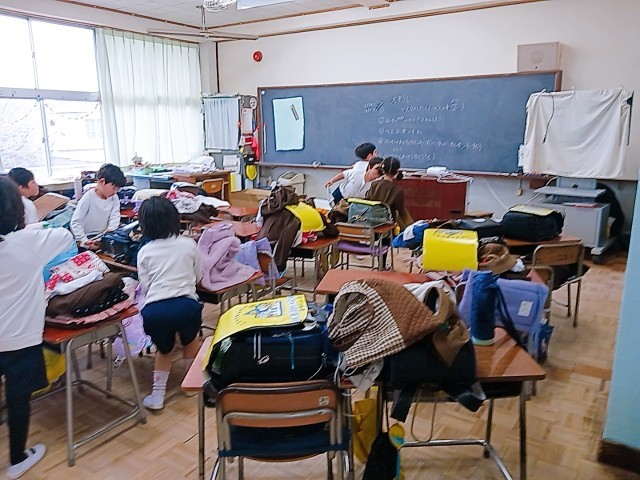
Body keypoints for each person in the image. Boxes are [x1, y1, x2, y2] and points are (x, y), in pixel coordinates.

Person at [0, 177, 73, 479]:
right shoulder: (27, 243)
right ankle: (17, 459)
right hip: (20, 339)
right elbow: (65, 236)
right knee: (19, 399)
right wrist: (31, 228)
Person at [136, 196, 202, 410]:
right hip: (186, 305)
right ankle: (191, 385)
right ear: (175, 218)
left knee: (163, 350)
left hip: (156, 309)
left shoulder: (144, 251)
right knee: (190, 341)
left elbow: (145, 286)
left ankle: (157, 396)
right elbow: (198, 276)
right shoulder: (189, 244)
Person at [70, 163, 126, 250]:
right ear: (101, 182)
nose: (115, 192)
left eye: (118, 189)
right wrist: (84, 240)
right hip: (88, 238)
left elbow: (115, 216)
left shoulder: (114, 197)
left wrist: (111, 229)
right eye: (114, 188)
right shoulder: (88, 197)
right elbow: (76, 222)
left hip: (104, 236)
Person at [366, 156, 413, 230]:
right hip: (385, 223)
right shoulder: (397, 190)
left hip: (369, 218)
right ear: (397, 171)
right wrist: (411, 226)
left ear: (382, 169)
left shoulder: (374, 184)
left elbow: (367, 199)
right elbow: (401, 210)